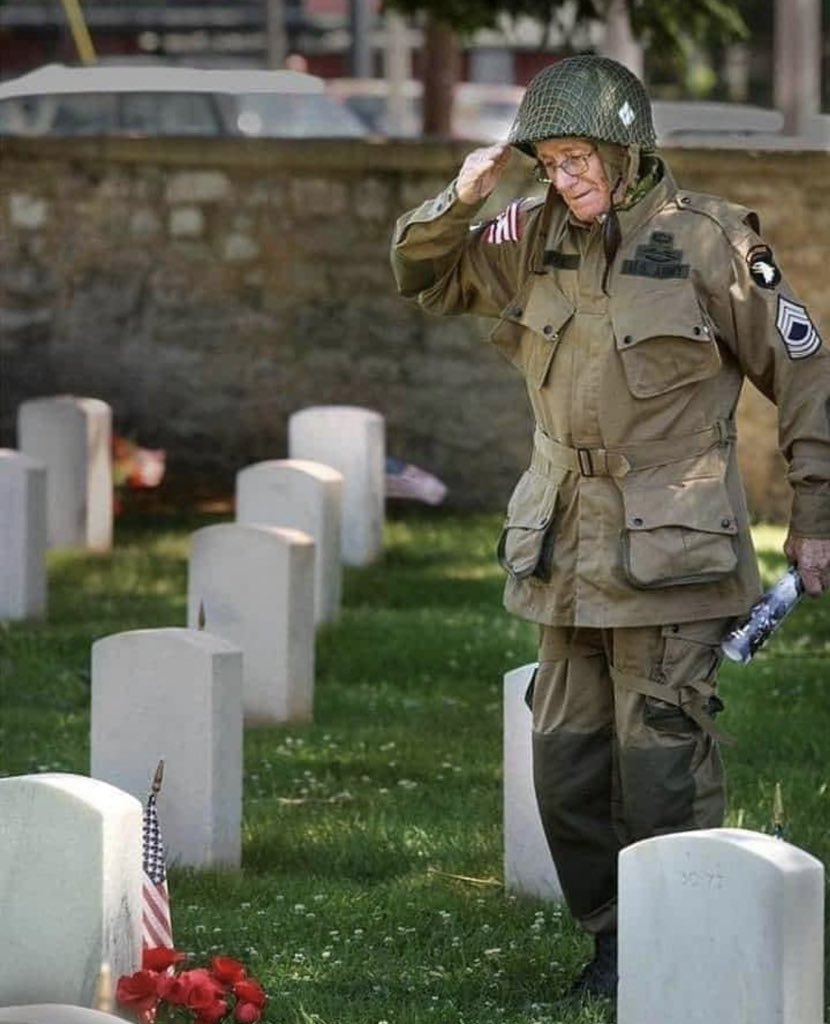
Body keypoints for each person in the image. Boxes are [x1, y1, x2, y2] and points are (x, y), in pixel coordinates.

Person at [390, 55, 830, 1000]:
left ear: (626, 153)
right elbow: (423, 277)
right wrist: (461, 200)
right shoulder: (529, 231)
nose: (565, 178)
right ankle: (615, 941)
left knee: (661, 756)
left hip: (674, 543)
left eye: (579, 158)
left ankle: (685, 938)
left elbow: (805, 371)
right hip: (563, 543)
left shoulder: (710, 241)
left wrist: (817, 515)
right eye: (549, 162)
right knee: (566, 760)